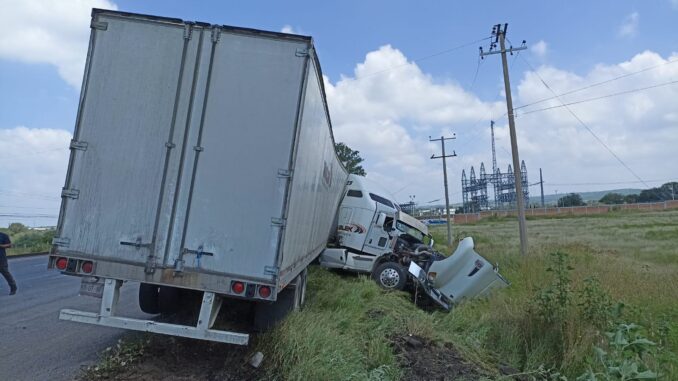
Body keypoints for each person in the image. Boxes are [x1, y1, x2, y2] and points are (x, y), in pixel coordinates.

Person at [0, 231, 17, 295]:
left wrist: (1, 245)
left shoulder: (3, 235)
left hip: (1, 258)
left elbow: (10, 245)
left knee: (5, 273)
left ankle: (13, 287)